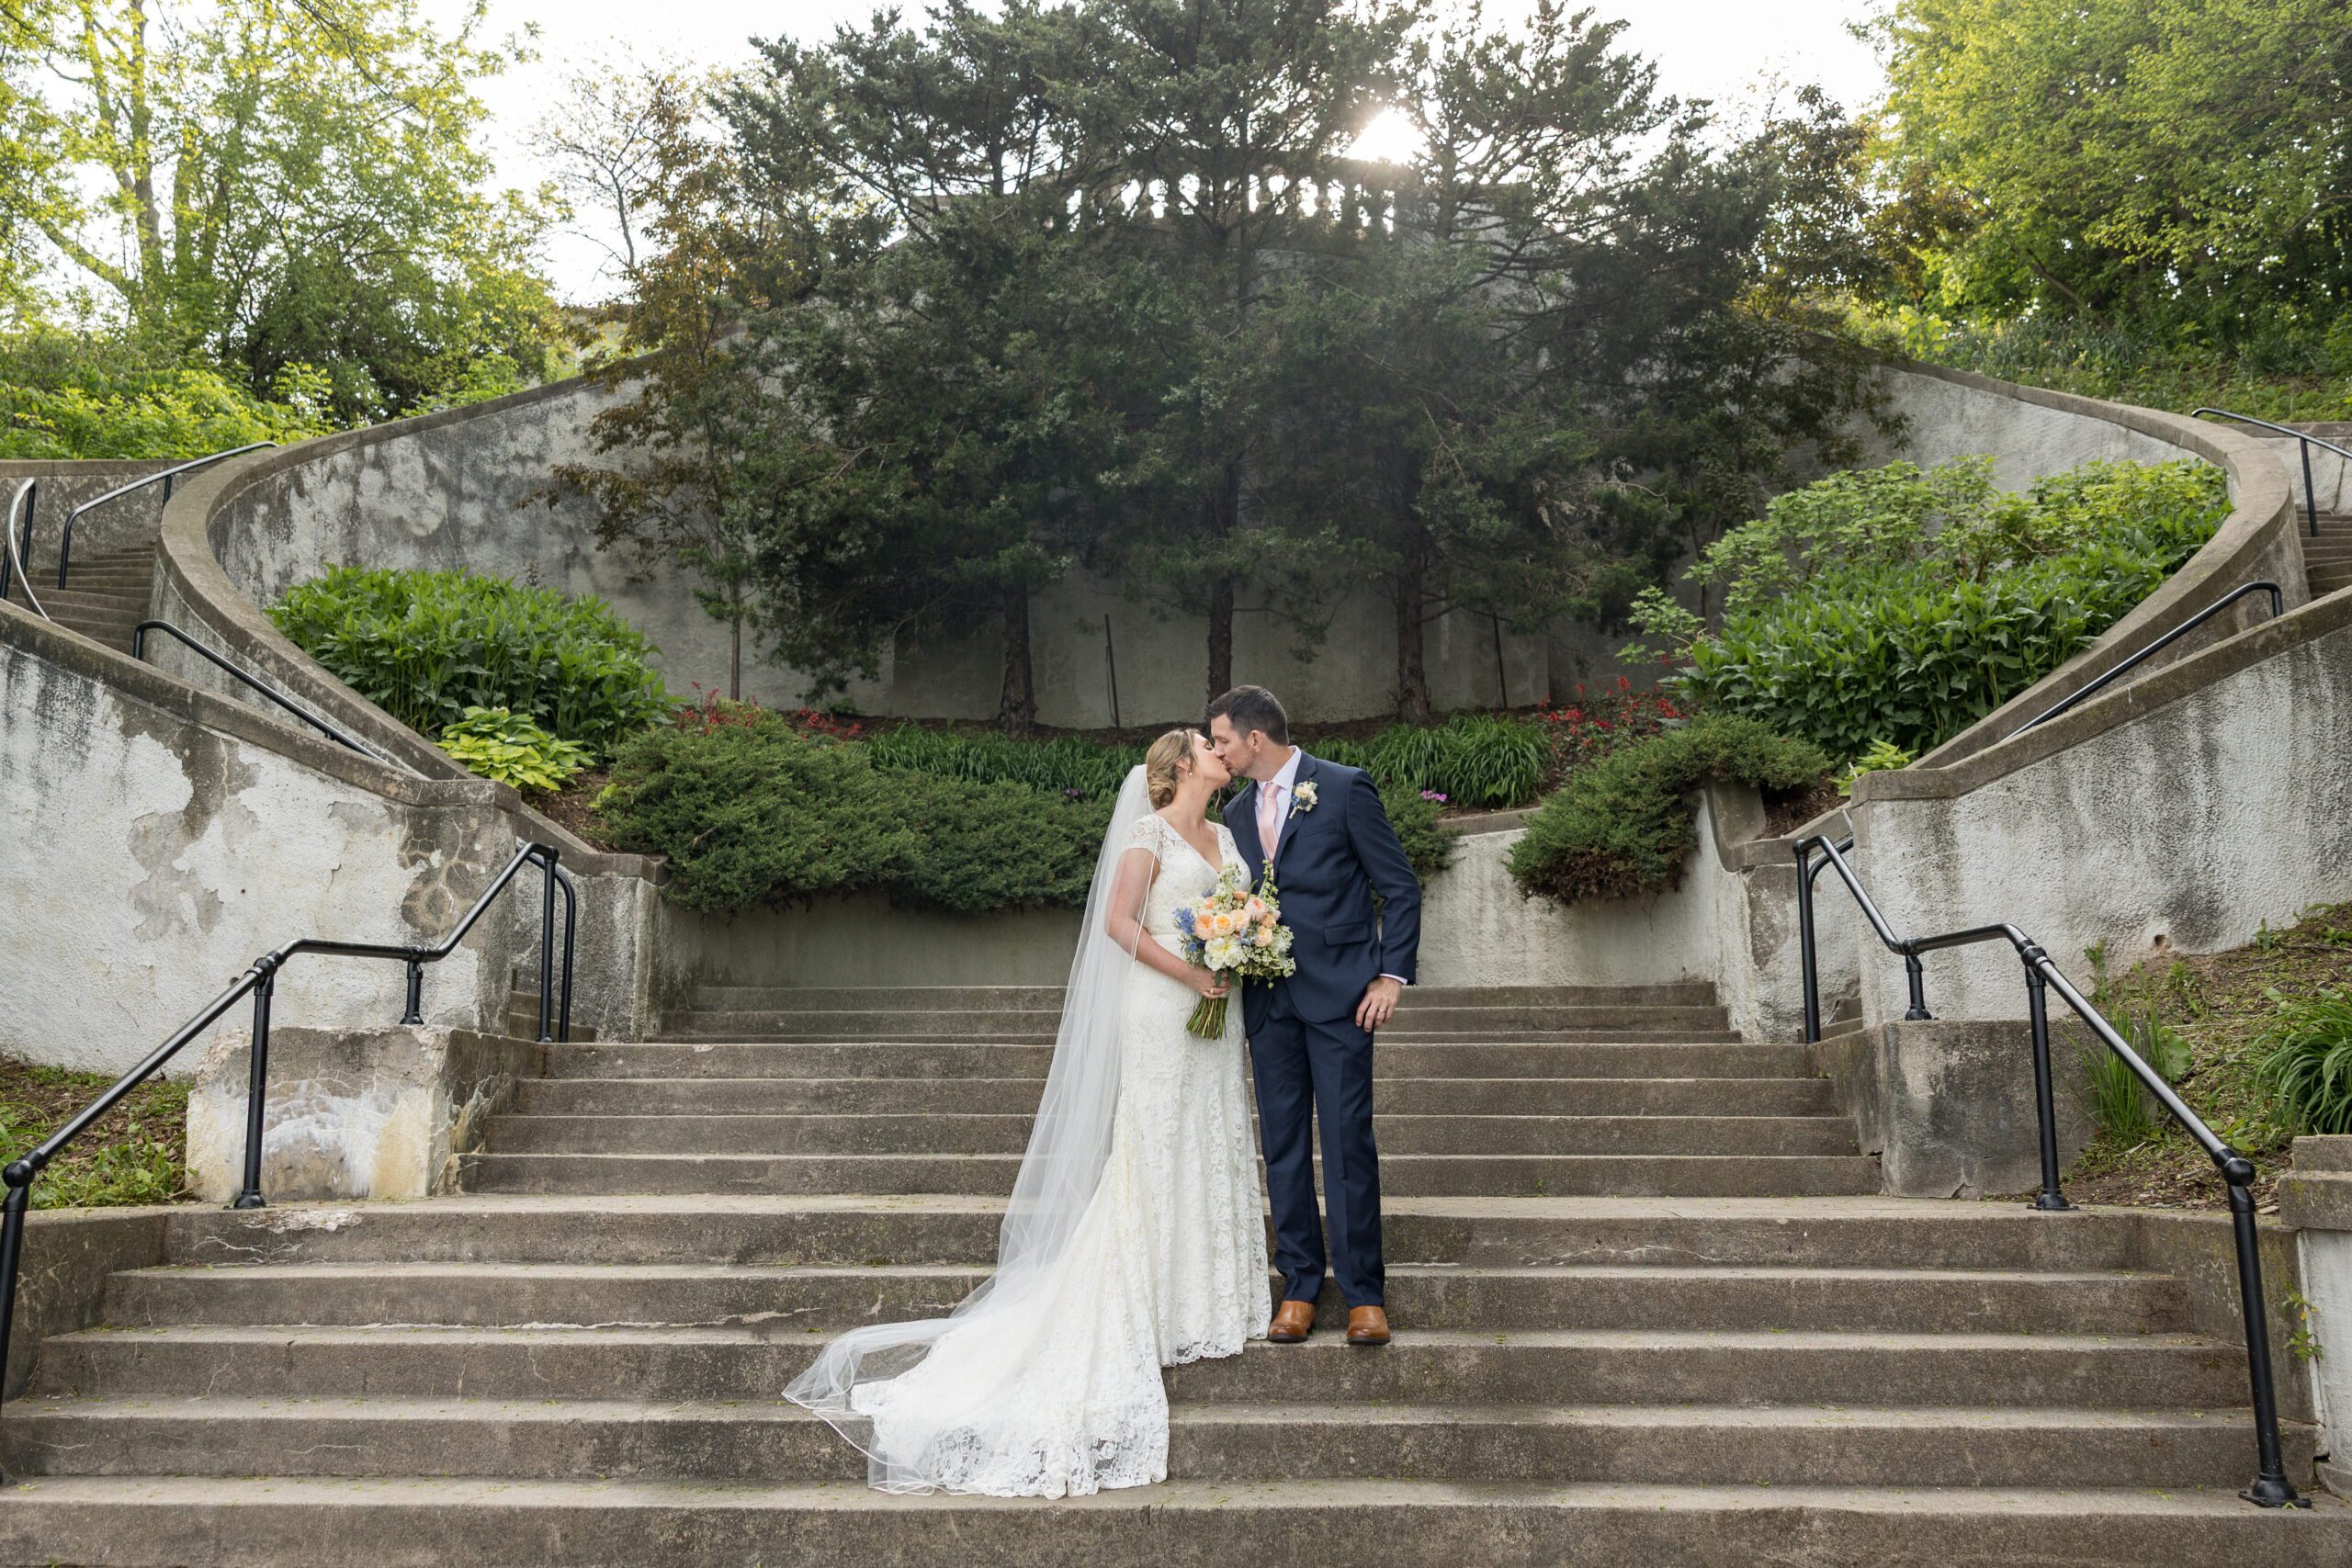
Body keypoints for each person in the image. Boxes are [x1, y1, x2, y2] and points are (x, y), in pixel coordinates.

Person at [785, 728, 1268, 1497]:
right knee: (1156, 1145)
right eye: (1208, 747)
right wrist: (1193, 972)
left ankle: (1206, 1294)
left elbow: (1240, 910)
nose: (1221, 752)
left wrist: (1240, 952)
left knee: (1208, 1138)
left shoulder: (1227, 834)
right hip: (1163, 1008)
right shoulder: (1147, 834)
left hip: (1218, 1012)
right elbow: (1119, 921)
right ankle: (1147, 1297)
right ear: (1183, 765)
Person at [1207, 684, 1422, 1348]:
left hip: (1341, 999)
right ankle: (1299, 1284)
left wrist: (1391, 974)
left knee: (1348, 1138)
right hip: (1269, 1005)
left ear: (1254, 738)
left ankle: (1364, 1294)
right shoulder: (1235, 813)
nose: (1217, 752)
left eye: (1220, 740)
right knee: (1284, 1145)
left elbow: (1399, 885)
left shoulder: (1344, 787)